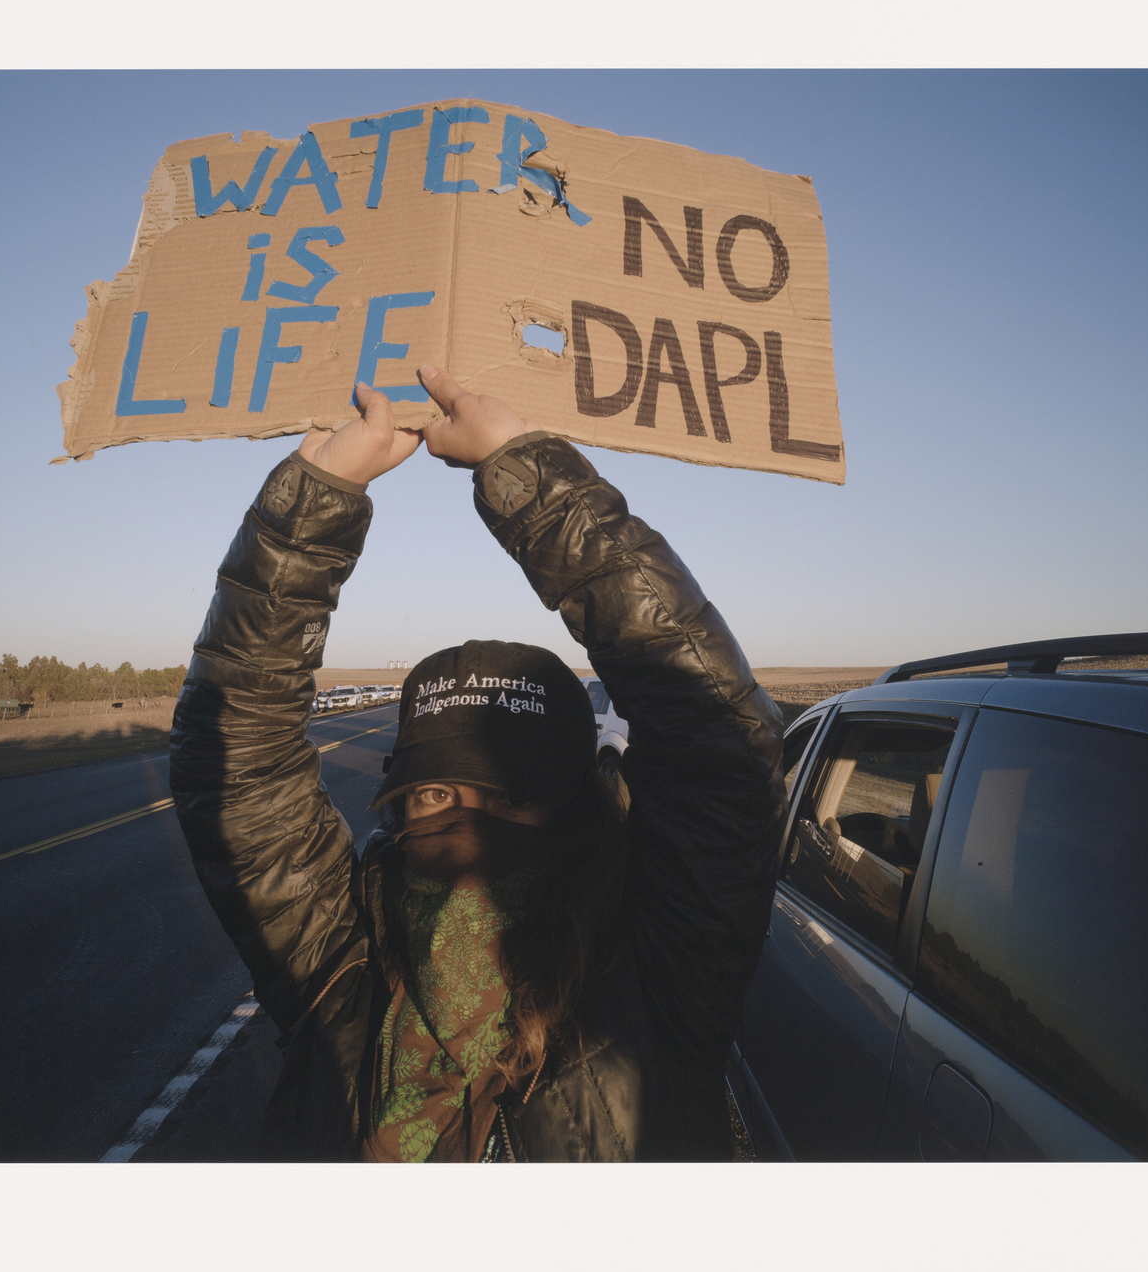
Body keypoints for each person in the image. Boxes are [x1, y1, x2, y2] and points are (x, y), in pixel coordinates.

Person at [169, 366, 784, 1161]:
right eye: (431, 792)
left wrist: (529, 475)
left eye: (508, 797)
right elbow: (236, 760)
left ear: (573, 807)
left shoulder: (654, 977)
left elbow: (723, 740)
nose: (464, 821)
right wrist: (309, 504)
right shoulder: (346, 976)